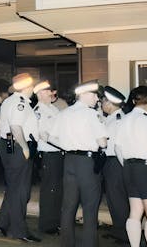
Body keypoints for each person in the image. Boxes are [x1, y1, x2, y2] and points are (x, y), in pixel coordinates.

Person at [49, 80, 107, 247]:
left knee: (68, 206)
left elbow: (51, 137)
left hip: (69, 161)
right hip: (87, 163)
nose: (97, 99)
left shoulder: (64, 113)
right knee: (90, 207)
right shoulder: (91, 114)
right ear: (84, 94)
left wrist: (67, 146)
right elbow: (103, 143)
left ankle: (67, 244)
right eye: (95, 95)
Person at [115, 86, 147, 247]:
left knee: (135, 212)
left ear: (133, 100)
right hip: (145, 169)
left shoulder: (124, 119)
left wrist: (128, 165)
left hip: (129, 168)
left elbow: (117, 148)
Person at [0, 73, 41, 243]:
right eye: (31, 86)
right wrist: (25, 147)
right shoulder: (20, 103)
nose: (33, 89)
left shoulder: (8, 101)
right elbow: (16, 127)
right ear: (26, 87)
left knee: (13, 187)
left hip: (7, 145)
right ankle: (19, 230)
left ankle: (3, 223)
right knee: (20, 191)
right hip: (17, 148)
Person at [33, 80, 63, 235]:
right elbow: (43, 135)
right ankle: (47, 224)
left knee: (57, 190)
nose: (52, 93)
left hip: (58, 154)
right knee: (49, 190)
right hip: (49, 154)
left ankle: (56, 221)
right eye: (48, 91)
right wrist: (63, 145)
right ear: (39, 93)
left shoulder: (53, 109)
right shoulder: (39, 111)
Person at [101, 85, 129, 244]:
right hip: (111, 162)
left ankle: (124, 233)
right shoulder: (111, 118)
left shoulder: (118, 120)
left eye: (104, 101)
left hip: (115, 162)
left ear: (110, 104)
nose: (102, 104)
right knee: (113, 198)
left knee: (117, 198)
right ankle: (118, 230)